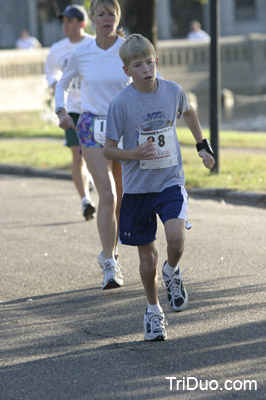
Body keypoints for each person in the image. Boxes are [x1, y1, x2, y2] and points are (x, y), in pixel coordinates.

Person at [103, 34, 215, 341]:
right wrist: (133, 154)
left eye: (149, 62)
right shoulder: (121, 104)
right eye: (137, 65)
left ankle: (172, 271)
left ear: (157, 62)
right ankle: (153, 312)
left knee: (176, 239)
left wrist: (202, 146)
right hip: (138, 188)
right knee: (147, 259)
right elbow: (109, 150)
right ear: (127, 71)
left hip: (169, 180)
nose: (145, 69)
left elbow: (189, 111)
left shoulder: (172, 91)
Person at [55, 0, 131, 290]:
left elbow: (150, 76)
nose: (107, 18)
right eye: (101, 14)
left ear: (117, 17)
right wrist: (61, 111)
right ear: (93, 19)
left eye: (111, 13)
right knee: (108, 196)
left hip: (123, 127)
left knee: (123, 199)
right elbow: (62, 84)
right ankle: (111, 265)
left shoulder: (127, 48)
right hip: (91, 127)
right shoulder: (81, 52)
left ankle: (109, 251)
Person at [45, 5, 96, 221]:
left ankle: (93, 179)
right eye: (63, 21)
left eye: (69, 21)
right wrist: (55, 83)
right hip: (72, 110)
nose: (65, 25)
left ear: (81, 23)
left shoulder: (94, 44)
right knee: (78, 156)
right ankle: (86, 200)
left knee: (95, 156)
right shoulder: (58, 48)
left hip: (94, 108)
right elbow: (49, 72)